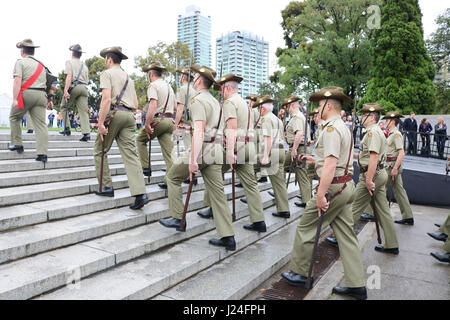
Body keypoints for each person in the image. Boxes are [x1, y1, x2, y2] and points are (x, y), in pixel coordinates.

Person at [282, 86, 367, 300]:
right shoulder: (342, 127)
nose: (318, 109)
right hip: (346, 185)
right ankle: (357, 285)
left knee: (306, 227)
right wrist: (315, 160)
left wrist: (320, 195)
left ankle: (301, 273)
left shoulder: (330, 128)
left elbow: (330, 165)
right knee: (347, 236)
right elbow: (334, 159)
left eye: (320, 105)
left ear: (328, 106)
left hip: (333, 188)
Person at [159, 65, 237, 251]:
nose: (192, 80)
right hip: (216, 149)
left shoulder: (197, 100)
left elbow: (200, 131)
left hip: (203, 149)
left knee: (172, 176)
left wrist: (193, 159)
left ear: (199, 81)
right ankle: (228, 237)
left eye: (194, 77)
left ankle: (178, 218)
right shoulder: (217, 103)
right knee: (218, 196)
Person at [198, 73, 266, 232]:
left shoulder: (229, 102)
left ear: (228, 88)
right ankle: (259, 221)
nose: (220, 93)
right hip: (248, 147)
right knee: (251, 185)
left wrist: (229, 151)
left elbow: (232, 128)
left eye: (221, 89)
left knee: (211, 170)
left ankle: (211, 208)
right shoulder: (245, 104)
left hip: (237, 147)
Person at [93, 46, 148, 210]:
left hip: (114, 115)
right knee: (131, 155)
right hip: (129, 116)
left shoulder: (107, 74)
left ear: (109, 59)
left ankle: (106, 186)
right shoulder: (128, 78)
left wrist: (101, 123)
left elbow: (106, 99)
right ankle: (140, 193)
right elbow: (136, 105)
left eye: (105, 59)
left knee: (99, 150)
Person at [349, 103, 399, 254]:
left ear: (371, 117)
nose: (361, 117)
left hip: (371, 176)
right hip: (379, 174)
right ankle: (391, 244)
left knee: (355, 207)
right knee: (383, 211)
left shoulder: (372, 133)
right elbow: (369, 154)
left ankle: (341, 238)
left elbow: (374, 157)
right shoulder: (374, 132)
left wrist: (368, 180)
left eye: (363, 115)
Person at [9, 39, 53, 162]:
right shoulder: (42, 65)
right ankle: (42, 154)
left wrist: (15, 98)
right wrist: (50, 99)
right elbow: (51, 83)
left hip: (26, 94)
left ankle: (18, 143)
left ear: (22, 51)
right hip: (41, 96)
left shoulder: (20, 63)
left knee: (14, 117)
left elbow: (17, 81)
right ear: (33, 51)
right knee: (41, 125)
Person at [136, 62, 176, 190]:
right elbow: (175, 106)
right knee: (169, 154)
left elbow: (153, 105)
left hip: (159, 120)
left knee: (140, 139)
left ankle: (146, 167)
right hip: (170, 121)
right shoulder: (169, 87)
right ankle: (169, 180)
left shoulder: (153, 85)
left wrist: (147, 124)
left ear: (151, 74)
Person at [252, 96, 291, 219]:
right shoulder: (277, 119)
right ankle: (284, 210)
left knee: (248, 168)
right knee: (279, 183)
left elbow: (268, 138)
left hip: (270, 151)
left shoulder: (266, 119)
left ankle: (252, 196)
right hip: (279, 150)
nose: (259, 111)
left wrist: (265, 156)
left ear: (262, 109)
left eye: (259, 108)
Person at [382, 111, 414, 225]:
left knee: (379, 189)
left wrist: (395, 168)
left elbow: (401, 153)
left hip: (391, 167)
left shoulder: (396, 134)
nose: (385, 122)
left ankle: (372, 213)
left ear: (392, 121)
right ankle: (408, 216)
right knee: (399, 191)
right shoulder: (391, 134)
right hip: (390, 165)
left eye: (387, 120)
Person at [282, 95, 313, 208]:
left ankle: (280, 193)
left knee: (280, 168)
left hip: (299, 148)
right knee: (302, 174)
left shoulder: (296, 117)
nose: (286, 110)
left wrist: (294, 149)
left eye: (287, 107)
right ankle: (307, 200)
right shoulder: (298, 117)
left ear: (292, 106)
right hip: (301, 148)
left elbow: (299, 133)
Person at [59, 45, 90, 141]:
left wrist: (65, 90)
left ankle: (67, 128)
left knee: (64, 107)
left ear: (72, 53)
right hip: (84, 88)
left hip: (74, 86)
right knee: (83, 111)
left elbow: (69, 76)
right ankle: (86, 133)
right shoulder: (84, 65)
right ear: (80, 55)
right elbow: (87, 80)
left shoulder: (69, 62)